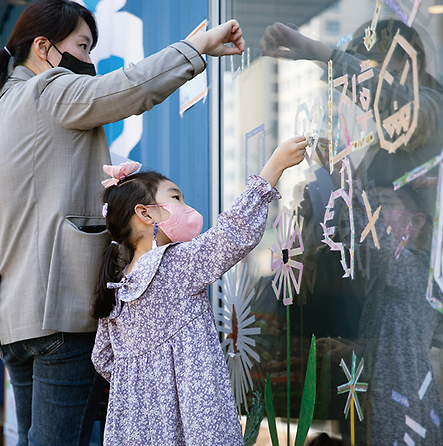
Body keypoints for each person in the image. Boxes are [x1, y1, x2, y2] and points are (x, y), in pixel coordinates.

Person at [0, 0, 245, 444]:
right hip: (59, 312)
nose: (90, 60)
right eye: (83, 45)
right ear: (44, 48)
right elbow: (128, 88)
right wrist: (197, 47)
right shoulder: (46, 91)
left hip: (11, 321)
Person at [260, 18, 443, 445]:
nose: (362, 94)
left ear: (404, 65)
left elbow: (404, 370)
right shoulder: (386, 147)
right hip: (382, 302)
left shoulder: (430, 107)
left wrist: (321, 54)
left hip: (405, 287)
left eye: (369, 70)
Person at [91, 136, 307, 445]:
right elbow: (231, 235)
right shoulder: (175, 265)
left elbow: (102, 358)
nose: (185, 206)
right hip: (195, 421)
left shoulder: (118, 285)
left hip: (135, 429)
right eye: (176, 198)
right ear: (146, 214)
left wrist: (145, 386)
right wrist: (274, 167)